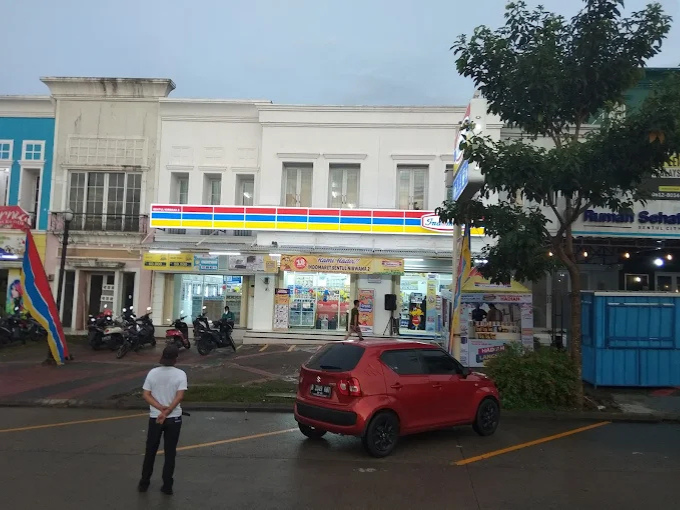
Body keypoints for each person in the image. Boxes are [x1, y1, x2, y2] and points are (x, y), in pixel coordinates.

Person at [138, 345, 188, 496]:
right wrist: (168, 411)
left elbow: (146, 395)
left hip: (156, 417)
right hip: (174, 418)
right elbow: (179, 396)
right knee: (170, 452)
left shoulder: (153, 373)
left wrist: (160, 409)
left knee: (150, 450)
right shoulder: (181, 374)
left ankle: (144, 483)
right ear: (176, 358)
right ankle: (167, 486)